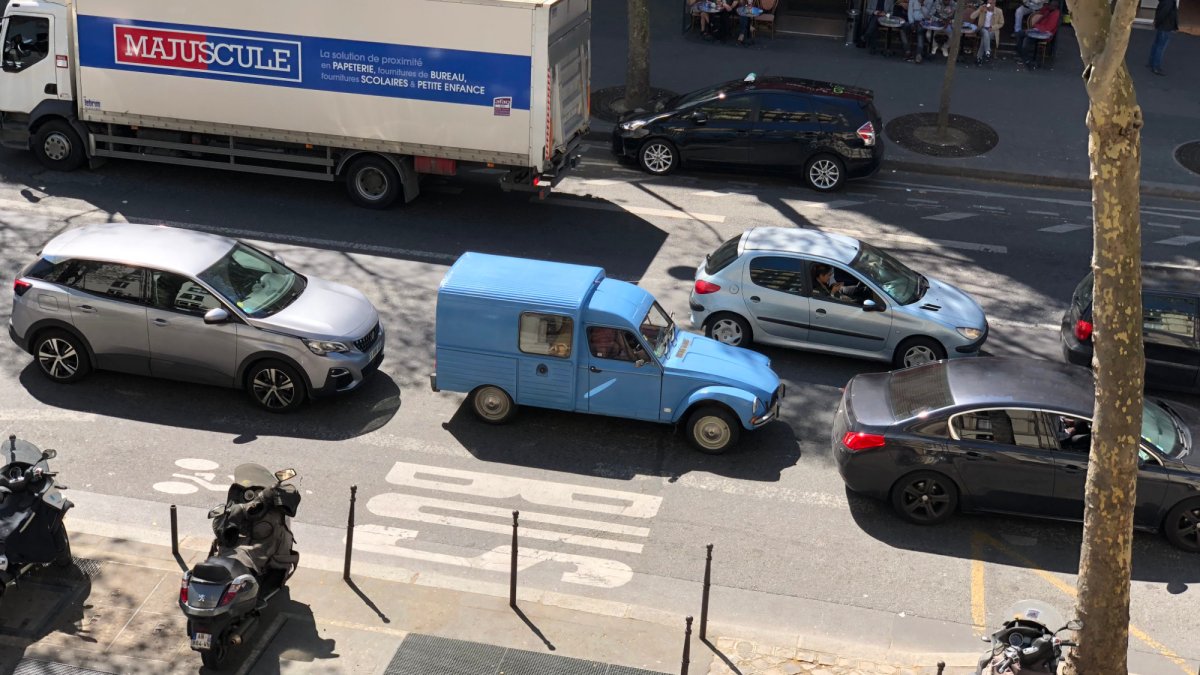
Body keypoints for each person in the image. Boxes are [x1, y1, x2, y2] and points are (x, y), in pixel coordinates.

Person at [1017, 0, 1060, 69]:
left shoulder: (1056, 14)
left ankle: (1026, 58)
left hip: (1044, 34)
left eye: (1051, 5)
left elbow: (1048, 28)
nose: (1049, 6)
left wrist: (1036, 26)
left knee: (1025, 38)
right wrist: (1046, 7)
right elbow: (1041, 11)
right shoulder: (1049, 10)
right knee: (1021, 35)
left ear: (1055, 7)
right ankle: (1023, 56)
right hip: (1038, 30)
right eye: (1049, 5)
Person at [1148, 0, 1177, 75]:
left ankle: (1151, 62)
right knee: (1161, 47)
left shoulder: (1165, 1)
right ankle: (1156, 66)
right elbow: (1163, 14)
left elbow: (1159, 11)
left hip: (1163, 26)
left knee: (1156, 44)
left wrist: (1156, 21)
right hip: (1166, 26)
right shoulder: (1169, 2)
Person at [970, 0, 1004, 64]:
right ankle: (987, 50)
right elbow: (972, 17)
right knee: (985, 32)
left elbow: (1001, 23)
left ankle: (979, 58)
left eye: (990, 3)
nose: (989, 4)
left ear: (994, 4)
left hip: (992, 30)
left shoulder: (999, 11)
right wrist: (979, 10)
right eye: (988, 3)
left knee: (985, 37)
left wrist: (992, 27)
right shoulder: (983, 9)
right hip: (982, 28)